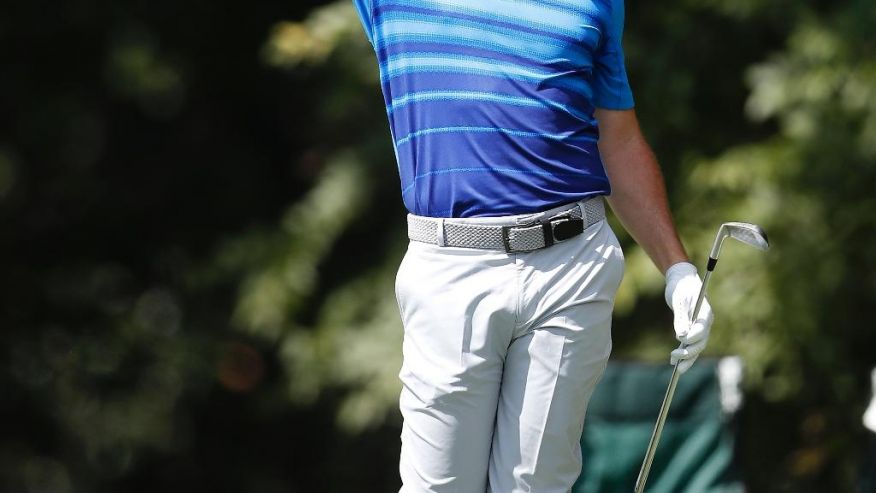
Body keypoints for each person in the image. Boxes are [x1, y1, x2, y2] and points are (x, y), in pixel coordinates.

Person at [351, 0, 714, 491]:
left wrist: (677, 270)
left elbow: (619, 141)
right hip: (450, 266)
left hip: (573, 264)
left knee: (537, 485)